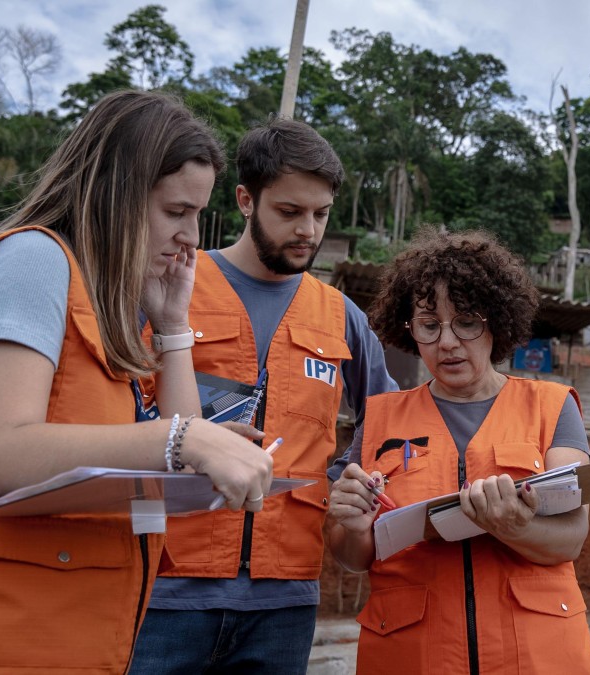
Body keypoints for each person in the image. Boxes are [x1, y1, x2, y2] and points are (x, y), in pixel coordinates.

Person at [0, 90, 274, 674]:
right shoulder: (31, 261)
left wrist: (174, 328)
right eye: (176, 211)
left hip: (50, 633)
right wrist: (187, 440)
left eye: (198, 215)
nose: (192, 237)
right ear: (116, 194)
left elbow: (172, 463)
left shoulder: (103, 303)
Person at [129, 118, 398, 674]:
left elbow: (393, 420)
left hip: (285, 600)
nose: (308, 230)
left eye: (321, 214)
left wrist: (348, 475)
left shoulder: (339, 314)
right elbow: (107, 409)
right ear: (246, 200)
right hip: (162, 587)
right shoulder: (166, 284)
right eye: (289, 212)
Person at [326, 229, 590, 673]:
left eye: (467, 322)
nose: (447, 342)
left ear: (497, 321)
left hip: (536, 657)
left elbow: (570, 538)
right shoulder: (380, 419)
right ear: (409, 327)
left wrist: (513, 527)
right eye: (429, 325)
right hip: (411, 657)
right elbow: (350, 556)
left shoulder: (552, 407)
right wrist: (351, 525)